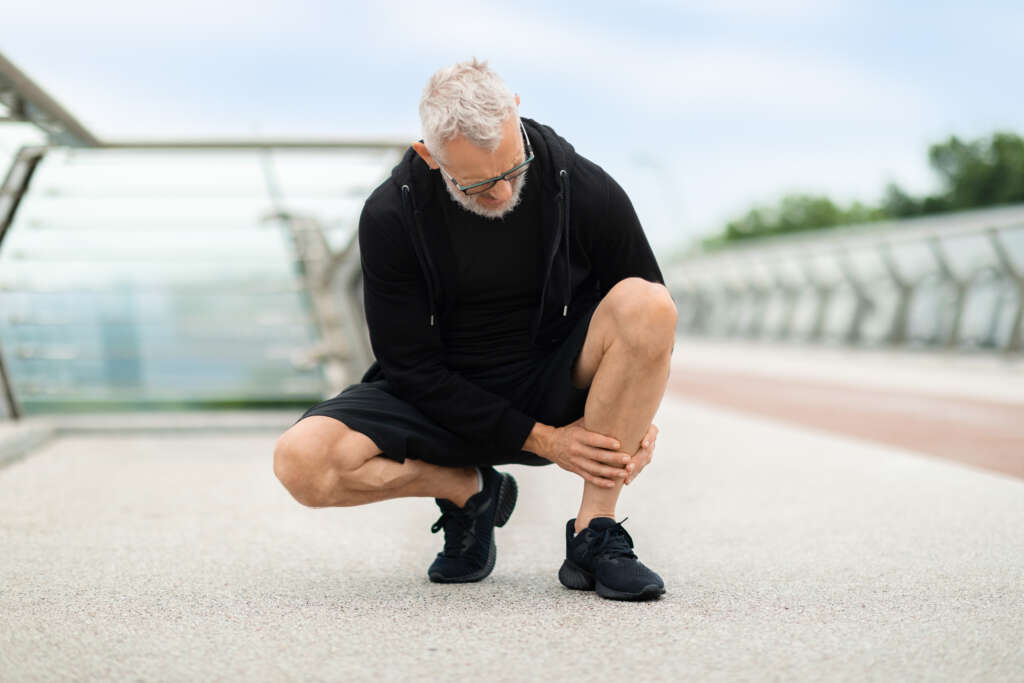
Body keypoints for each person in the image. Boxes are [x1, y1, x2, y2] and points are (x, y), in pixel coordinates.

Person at [273, 58, 676, 601]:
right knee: (303, 464)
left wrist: (638, 417)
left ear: (516, 114)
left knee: (647, 304)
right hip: (439, 391)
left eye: (513, 170)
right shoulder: (392, 214)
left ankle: (594, 534)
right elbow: (411, 368)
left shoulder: (576, 181)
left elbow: (648, 316)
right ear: (429, 157)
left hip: (552, 378)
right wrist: (544, 441)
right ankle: (471, 492)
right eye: (480, 184)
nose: (503, 194)